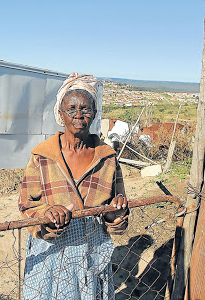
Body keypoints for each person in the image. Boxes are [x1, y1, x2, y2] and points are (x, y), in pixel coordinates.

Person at [19, 73, 129, 299]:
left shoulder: (107, 158)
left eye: (86, 109)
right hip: (50, 252)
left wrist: (115, 215)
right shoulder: (42, 157)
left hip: (93, 251)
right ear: (60, 113)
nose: (79, 114)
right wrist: (47, 214)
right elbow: (26, 205)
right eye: (72, 109)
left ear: (95, 114)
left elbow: (117, 210)